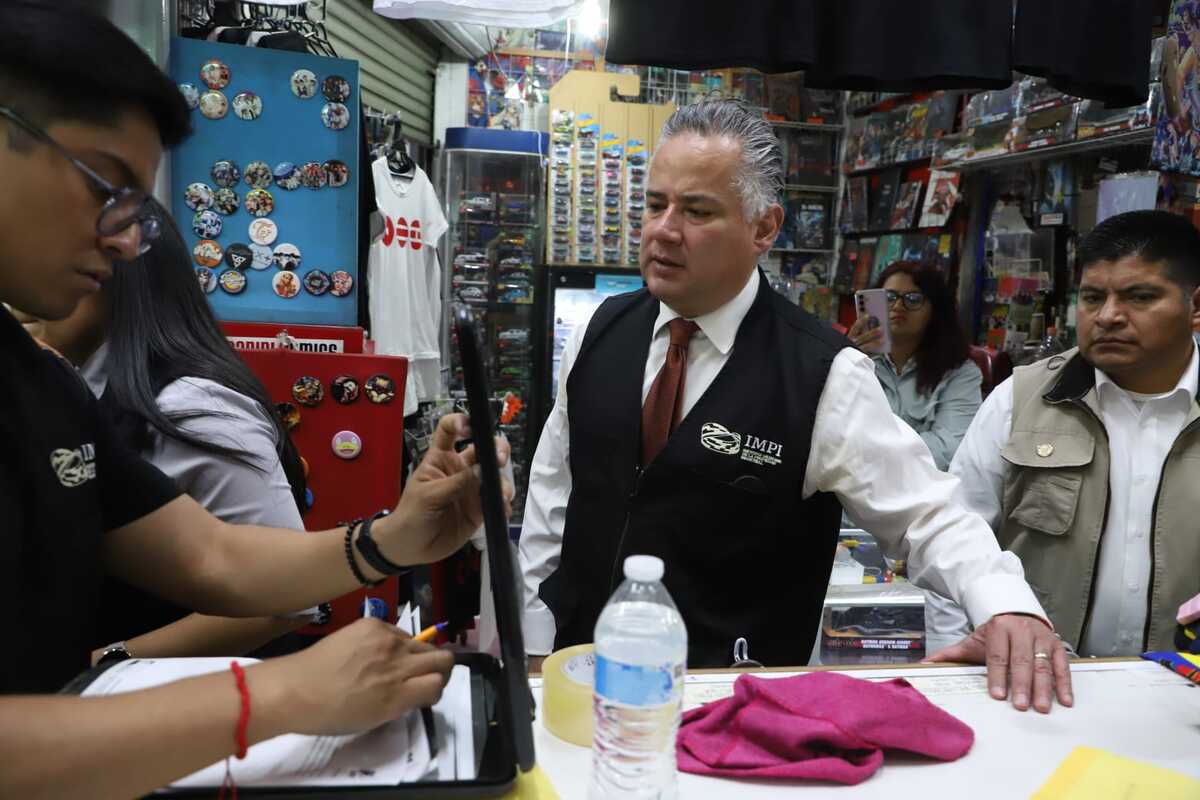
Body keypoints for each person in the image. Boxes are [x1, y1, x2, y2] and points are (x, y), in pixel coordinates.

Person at [0, 3, 507, 796]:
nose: (131, 240)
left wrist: (392, 539)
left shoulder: (40, 383)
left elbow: (213, 555)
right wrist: (271, 696)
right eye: (108, 185)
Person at [520, 98, 1071, 714]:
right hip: (576, 679)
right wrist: (536, 639)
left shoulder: (822, 374)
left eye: (697, 210)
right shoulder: (604, 330)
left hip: (728, 708)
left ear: (764, 228)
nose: (663, 230)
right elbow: (554, 491)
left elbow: (925, 511)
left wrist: (1005, 604)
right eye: (655, 204)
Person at [31, 211, 315, 662]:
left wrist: (105, 662)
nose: (24, 306)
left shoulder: (189, 406)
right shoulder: (67, 387)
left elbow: (286, 599)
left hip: (193, 701)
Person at [948, 210, 1200, 657]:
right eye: (1091, 297)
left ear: (1195, 308)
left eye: (1139, 298)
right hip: (1037, 692)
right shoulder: (1020, 401)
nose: (1108, 316)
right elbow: (954, 540)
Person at [848, 261, 982, 470]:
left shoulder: (961, 373)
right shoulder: (855, 362)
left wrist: (868, 453)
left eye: (913, 299)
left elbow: (949, 449)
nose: (897, 306)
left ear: (935, 311)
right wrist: (848, 362)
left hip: (923, 492)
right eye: (889, 297)